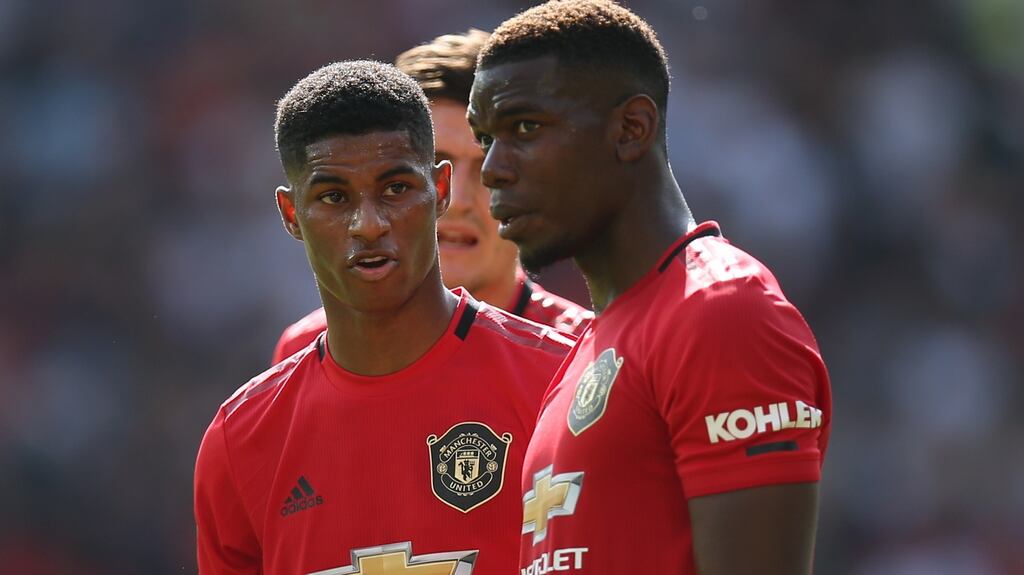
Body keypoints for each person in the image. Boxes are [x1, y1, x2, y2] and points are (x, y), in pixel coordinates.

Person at [466, 2, 832, 574]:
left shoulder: (720, 312)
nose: (491, 167)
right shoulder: (587, 347)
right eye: (486, 137)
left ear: (631, 129)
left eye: (525, 128)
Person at [194, 60, 575, 574]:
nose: (368, 224)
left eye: (396, 188)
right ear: (291, 216)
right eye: (333, 197)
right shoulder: (241, 439)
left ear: (437, 192)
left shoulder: (564, 382)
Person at [271, 31, 592, 364]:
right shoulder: (306, 350)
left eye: (492, 169)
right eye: (412, 177)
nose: (458, 198)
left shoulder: (587, 360)